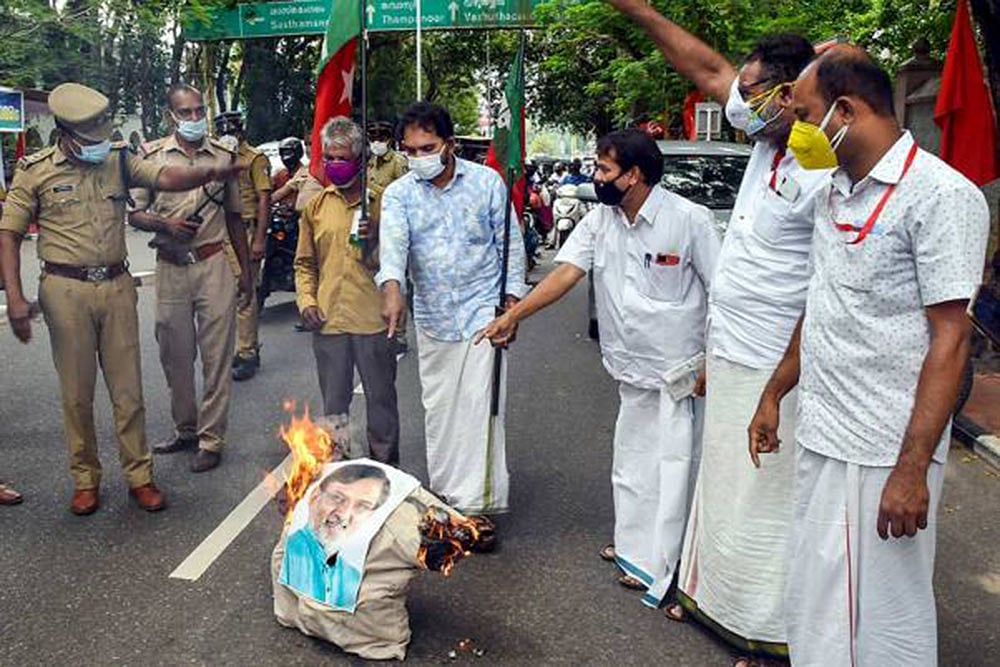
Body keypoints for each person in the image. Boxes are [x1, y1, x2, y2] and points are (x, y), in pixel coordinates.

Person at [748, 46, 988, 666]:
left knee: (885, 616)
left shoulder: (941, 196)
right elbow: (822, 299)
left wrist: (911, 470)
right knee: (818, 599)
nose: (796, 131)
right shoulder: (833, 191)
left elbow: (951, 338)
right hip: (824, 434)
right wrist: (774, 393)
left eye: (805, 115)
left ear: (847, 111)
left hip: (885, 450)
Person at [608, 0, 827, 653]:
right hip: (732, 348)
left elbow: (825, 285)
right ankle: (714, 603)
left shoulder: (824, 163)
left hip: (780, 360)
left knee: (768, 496)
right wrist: (636, 9)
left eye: (754, 93)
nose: (741, 103)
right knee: (725, 483)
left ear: (791, 95)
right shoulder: (766, 139)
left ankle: (769, 632)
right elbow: (705, 68)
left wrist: (781, 383)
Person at [478, 129, 719, 607]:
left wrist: (712, 359)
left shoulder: (689, 220)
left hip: (679, 375)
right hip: (631, 369)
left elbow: (721, 293)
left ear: (634, 175)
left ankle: (670, 566)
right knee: (632, 465)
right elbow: (566, 273)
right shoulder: (600, 221)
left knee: (673, 468)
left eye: (605, 169)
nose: (596, 177)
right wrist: (514, 315)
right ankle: (635, 551)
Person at [0, 83, 242, 513]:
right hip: (65, 289)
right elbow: (9, 233)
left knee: (128, 391)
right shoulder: (35, 171)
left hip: (116, 285)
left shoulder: (118, 159)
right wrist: (16, 297)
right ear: (66, 134)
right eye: (90, 137)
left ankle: (139, 476)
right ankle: (85, 479)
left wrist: (209, 173)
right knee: (77, 394)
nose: (99, 143)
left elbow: (165, 177)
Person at [376, 102, 527, 520]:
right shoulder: (399, 194)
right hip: (433, 316)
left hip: (483, 311)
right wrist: (392, 290)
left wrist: (512, 306)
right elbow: (393, 250)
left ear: (450, 144)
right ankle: (446, 497)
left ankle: (477, 507)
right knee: (441, 412)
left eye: (427, 148)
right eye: (410, 151)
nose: (419, 158)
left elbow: (510, 246)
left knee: (480, 408)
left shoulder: (487, 183)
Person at [129, 83, 253, 474]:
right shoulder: (151, 158)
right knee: (175, 356)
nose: (195, 118)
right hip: (170, 266)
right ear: (172, 116)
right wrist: (166, 224)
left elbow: (235, 218)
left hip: (213, 263)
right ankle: (185, 429)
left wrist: (246, 273)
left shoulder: (223, 156)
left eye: (200, 111)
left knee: (217, 358)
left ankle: (211, 439)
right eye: (186, 112)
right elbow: (135, 214)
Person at [295, 117, 400, 465]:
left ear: (360, 159)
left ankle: (386, 470)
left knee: (381, 401)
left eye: (342, 158)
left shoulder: (383, 204)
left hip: (373, 320)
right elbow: (304, 264)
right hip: (329, 321)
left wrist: (373, 241)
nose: (334, 164)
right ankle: (337, 471)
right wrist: (306, 301)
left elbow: (395, 264)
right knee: (334, 406)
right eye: (329, 158)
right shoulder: (316, 207)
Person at [214, 110, 273, 382]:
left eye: (233, 131)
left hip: (247, 230)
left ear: (242, 130)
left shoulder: (254, 158)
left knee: (245, 291)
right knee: (223, 295)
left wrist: (259, 239)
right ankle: (238, 348)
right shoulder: (216, 159)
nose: (228, 136)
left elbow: (264, 198)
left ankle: (247, 352)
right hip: (220, 232)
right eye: (223, 132)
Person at [280, 464, 390, 607]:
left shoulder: (352, 575)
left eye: (363, 506)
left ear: (371, 515)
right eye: (337, 498)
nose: (344, 515)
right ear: (315, 496)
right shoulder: (289, 554)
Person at [367, 120, 411, 354]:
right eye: (372, 137)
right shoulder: (371, 163)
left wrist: (374, 191)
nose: (376, 142)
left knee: (395, 278)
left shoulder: (398, 162)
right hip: (373, 227)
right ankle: (383, 325)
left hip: (393, 228)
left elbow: (404, 193)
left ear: (390, 139)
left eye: (381, 137)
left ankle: (400, 334)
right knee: (377, 277)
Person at [271, 137, 308, 203]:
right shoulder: (279, 175)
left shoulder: (307, 174)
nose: (285, 158)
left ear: (298, 153)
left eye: (288, 153)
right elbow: (266, 196)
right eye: (283, 153)